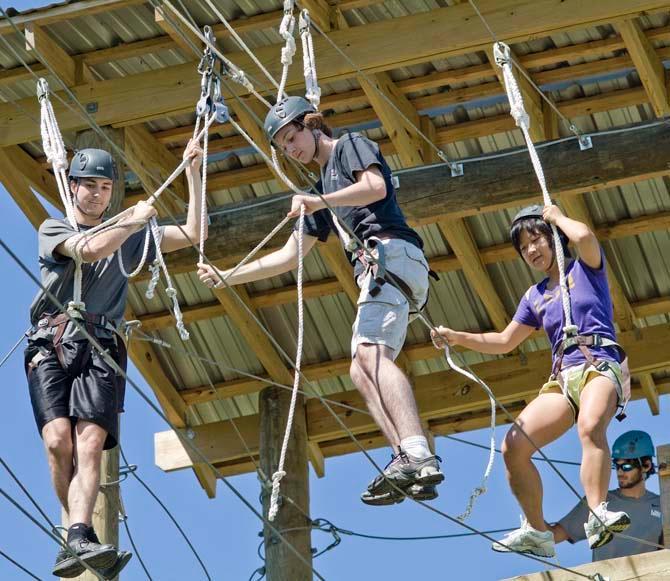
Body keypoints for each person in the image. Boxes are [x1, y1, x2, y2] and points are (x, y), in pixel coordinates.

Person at [197, 96, 443, 506]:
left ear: (313, 125)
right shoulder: (321, 188)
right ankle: (405, 455)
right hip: (384, 268)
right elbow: (289, 255)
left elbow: (375, 186)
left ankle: (417, 452)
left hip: (391, 255)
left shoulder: (350, 146)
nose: (292, 149)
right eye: (284, 145)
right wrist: (230, 276)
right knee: (360, 369)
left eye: (293, 137)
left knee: (371, 353)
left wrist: (319, 202)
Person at [25, 141, 205, 577]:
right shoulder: (54, 227)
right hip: (53, 341)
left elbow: (195, 232)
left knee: (88, 444)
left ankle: (79, 533)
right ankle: (74, 529)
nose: (97, 195)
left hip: (101, 345)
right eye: (89, 186)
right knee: (57, 442)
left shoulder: (128, 233)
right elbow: (88, 250)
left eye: (105, 187)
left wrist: (195, 174)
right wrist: (131, 221)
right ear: (73, 189)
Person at [432, 204, 631, 557]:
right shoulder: (534, 296)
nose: (532, 251)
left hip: (598, 363)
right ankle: (538, 531)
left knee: (589, 426)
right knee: (514, 446)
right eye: (524, 248)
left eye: (536, 239)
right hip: (562, 377)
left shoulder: (586, 268)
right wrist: (457, 337)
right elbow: (504, 341)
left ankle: (598, 513)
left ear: (554, 237)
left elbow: (584, 236)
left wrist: (556, 217)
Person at [549, 430, 663, 561]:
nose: (620, 471)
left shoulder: (662, 505)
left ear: (646, 466)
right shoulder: (599, 502)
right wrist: (532, 520)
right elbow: (553, 535)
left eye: (626, 466)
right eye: (617, 465)